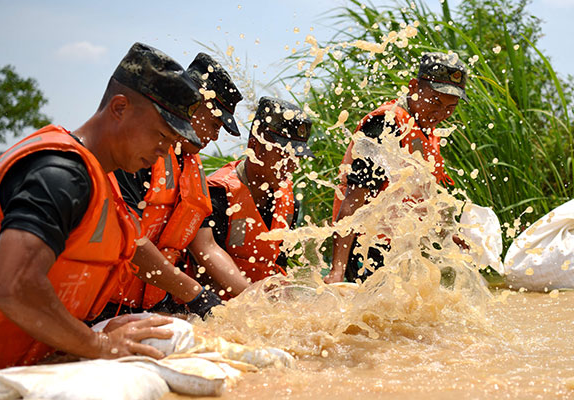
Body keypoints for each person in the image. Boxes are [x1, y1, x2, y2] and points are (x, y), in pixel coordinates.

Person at [0, 42, 211, 372]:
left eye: (171, 142)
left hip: (16, 367)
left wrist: (84, 333)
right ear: (119, 108)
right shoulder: (59, 175)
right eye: (160, 134)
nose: (163, 151)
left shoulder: (104, 184)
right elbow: (11, 286)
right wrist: (96, 344)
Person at [107, 52, 247, 316]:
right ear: (192, 103)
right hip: (107, 307)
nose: (215, 136)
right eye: (215, 123)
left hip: (156, 305)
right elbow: (130, 239)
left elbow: (206, 246)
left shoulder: (192, 167)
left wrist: (252, 298)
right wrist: (196, 294)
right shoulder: (138, 155)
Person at [325, 52, 469, 284]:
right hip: (363, 248)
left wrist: (450, 233)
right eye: (435, 102)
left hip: (397, 248)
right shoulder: (386, 125)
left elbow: (427, 199)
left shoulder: (427, 134)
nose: (441, 114)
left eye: (450, 107)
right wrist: (337, 270)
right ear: (413, 87)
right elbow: (354, 199)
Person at [186, 96, 313, 298]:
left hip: (261, 310)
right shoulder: (217, 194)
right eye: (285, 155)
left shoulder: (289, 202)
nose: (292, 166)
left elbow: (279, 263)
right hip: (217, 309)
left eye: (296, 157)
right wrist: (253, 299)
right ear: (255, 146)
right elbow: (202, 266)